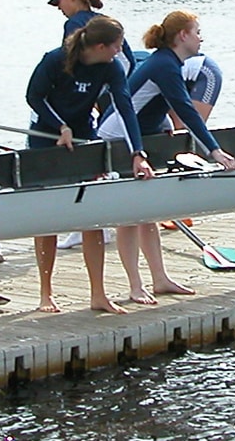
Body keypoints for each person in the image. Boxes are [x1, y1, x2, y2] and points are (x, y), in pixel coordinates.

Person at [104, 10, 235, 302]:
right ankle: (135, 286)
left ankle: (160, 280)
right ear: (183, 35)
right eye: (197, 32)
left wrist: (164, 125)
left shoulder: (170, 62)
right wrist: (214, 151)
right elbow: (186, 111)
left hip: (142, 134)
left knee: (148, 212)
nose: (201, 38)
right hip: (119, 137)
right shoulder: (164, 64)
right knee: (129, 215)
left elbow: (157, 103)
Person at [27, 16, 154, 313]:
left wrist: (138, 152)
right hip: (46, 136)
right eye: (116, 46)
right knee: (48, 218)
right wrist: (60, 127)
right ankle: (46, 294)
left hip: (84, 135)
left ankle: (98, 294)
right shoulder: (55, 60)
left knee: (91, 217)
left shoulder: (110, 67)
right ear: (99, 46)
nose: (119, 52)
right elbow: (34, 97)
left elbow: (125, 107)